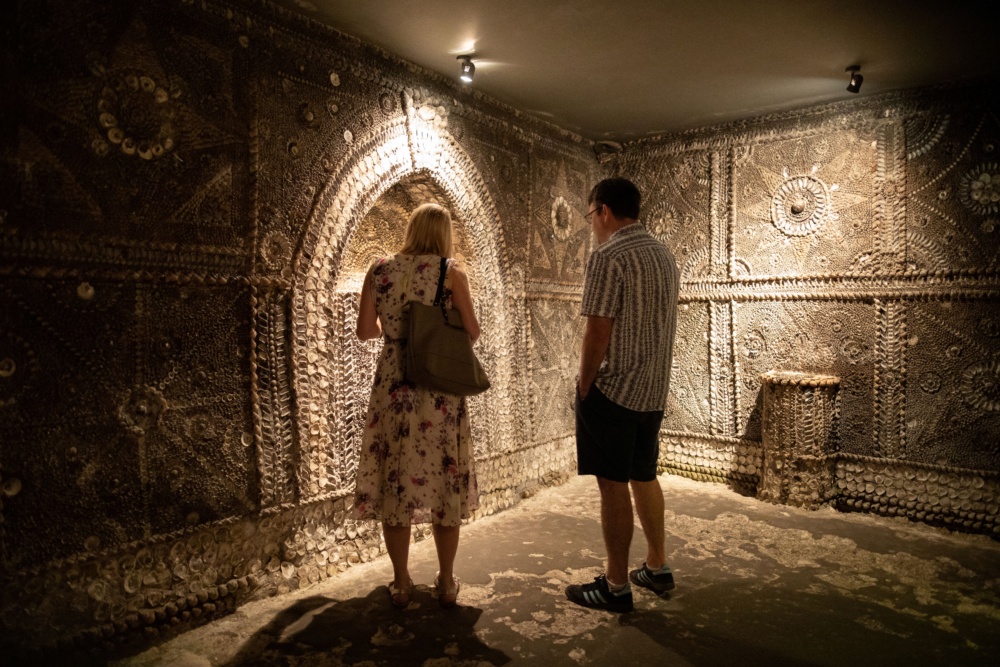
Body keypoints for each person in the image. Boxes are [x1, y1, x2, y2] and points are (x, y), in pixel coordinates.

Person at [353, 202, 481, 609]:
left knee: (396, 481)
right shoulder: (450, 272)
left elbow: (364, 330)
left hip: (394, 385)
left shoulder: (379, 269)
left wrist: (396, 333)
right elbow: (472, 332)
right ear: (443, 234)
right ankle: (445, 582)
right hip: (439, 389)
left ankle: (402, 584)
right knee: (444, 484)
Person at [565, 177, 680, 613]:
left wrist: (584, 383)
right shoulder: (664, 256)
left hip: (614, 392)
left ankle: (615, 585)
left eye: (591, 215)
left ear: (605, 211)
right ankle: (657, 564)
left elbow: (598, 329)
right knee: (643, 475)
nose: (592, 223)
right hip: (652, 392)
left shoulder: (608, 256)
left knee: (612, 486)